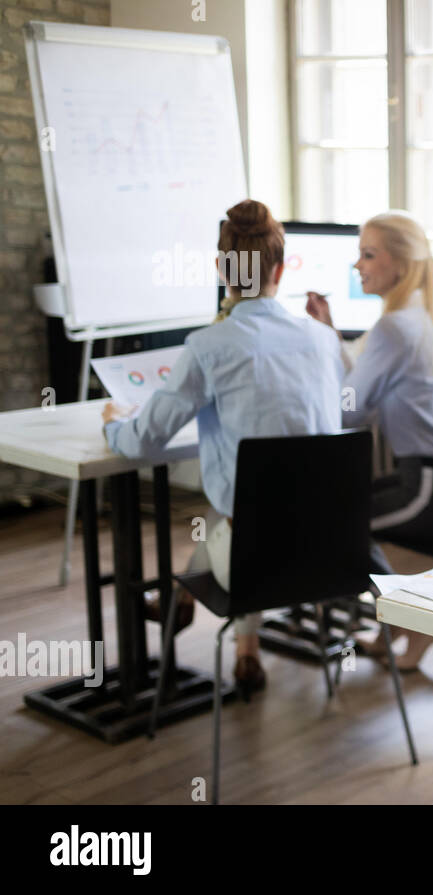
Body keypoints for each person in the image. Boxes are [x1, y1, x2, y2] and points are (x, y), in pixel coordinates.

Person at [102, 200, 344, 698]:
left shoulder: (209, 346)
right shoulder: (324, 340)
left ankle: (180, 607)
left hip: (255, 564)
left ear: (221, 269)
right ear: (281, 269)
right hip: (332, 555)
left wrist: (113, 425)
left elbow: (144, 439)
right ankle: (242, 648)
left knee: (235, 525)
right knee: (248, 518)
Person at [306, 210, 433, 676]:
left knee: (340, 525)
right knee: (347, 510)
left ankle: (417, 624)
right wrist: (333, 335)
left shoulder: (393, 326)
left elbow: (350, 409)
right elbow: (366, 389)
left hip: (427, 487)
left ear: (399, 264)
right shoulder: (419, 316)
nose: (358, 265)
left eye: (368, 254)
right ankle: (396, 628)